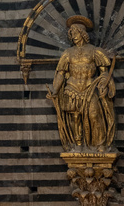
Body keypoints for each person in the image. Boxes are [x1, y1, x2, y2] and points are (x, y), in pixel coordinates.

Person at [47, 15, 115, 153]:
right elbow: (61, 73)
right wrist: (55, 90)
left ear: (83, 33)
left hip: (90, 88)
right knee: (75, 118)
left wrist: (104, 84)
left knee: (94, 115)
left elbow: (104, 72)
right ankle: (78, 144)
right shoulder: (68, 53)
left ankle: (99, 144)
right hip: (72, 88)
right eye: (71, 33)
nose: (74, 35)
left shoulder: (95, 51)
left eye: (76, 32)